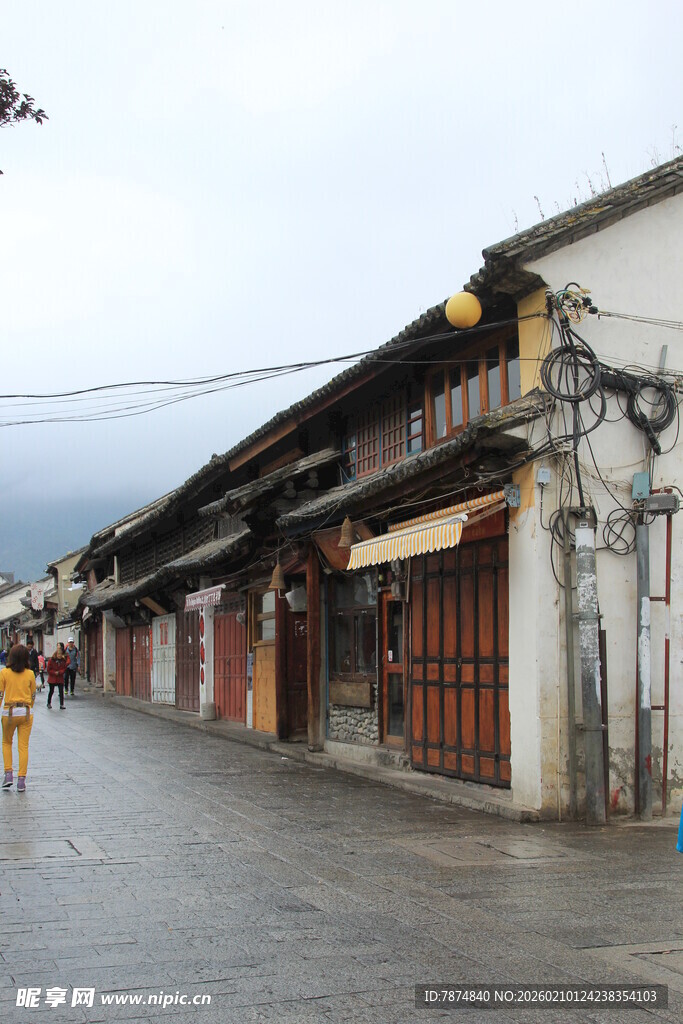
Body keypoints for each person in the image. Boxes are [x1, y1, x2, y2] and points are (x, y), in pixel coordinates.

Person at [1, 643, 37, 792]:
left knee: (6, 742)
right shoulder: (30, 674)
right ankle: (21, 780)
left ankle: (8, 774)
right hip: (26, 712)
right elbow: (33, 694)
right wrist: (30, 705)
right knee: (23, 746)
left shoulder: (4, 673)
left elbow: (0, 694)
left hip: (9, 711)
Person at [47, 643, 68, 710]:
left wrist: (59, 672)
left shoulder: (63, 661)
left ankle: (61, 704)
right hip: (52, 678)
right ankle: (49, 703)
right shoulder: (51, 660)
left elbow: (64, 668)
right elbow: (48, 669)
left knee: (61, 691)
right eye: (58, 654)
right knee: (51, 691)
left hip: (59, 678)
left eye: (60, 654)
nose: (59, 656)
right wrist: (54, 672)